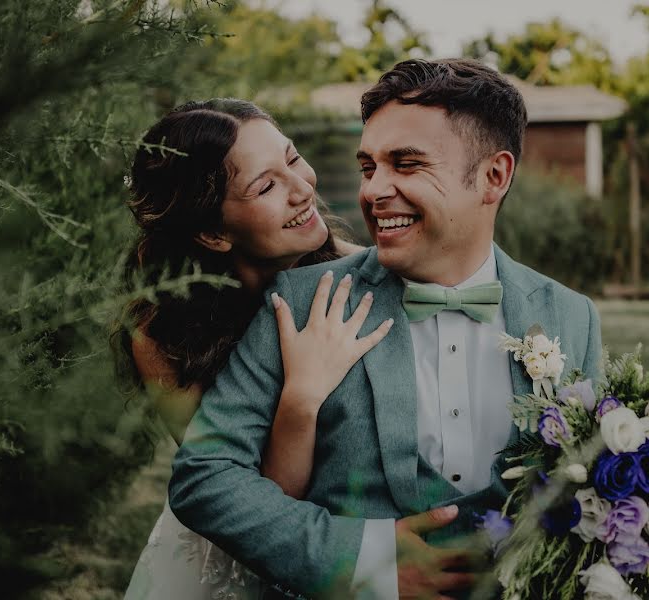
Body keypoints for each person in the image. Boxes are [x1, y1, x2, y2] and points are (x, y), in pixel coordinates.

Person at [169, 58, 604, 599]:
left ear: (494, 177)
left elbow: (591, 487)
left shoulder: (571, 316)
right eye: (369, 166)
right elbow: (205, 477)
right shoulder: (299, 302)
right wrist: (362, 562)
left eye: (406, 163)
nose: (374, 190)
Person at [118, 98, 392, 599]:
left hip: (342, 534)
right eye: (266, 186)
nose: (302, 187)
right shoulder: (162, 335)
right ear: (213, 232)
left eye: (291, 159)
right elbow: (248, 502)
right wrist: (302, 394)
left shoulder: (361, 277)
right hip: (242, 555)